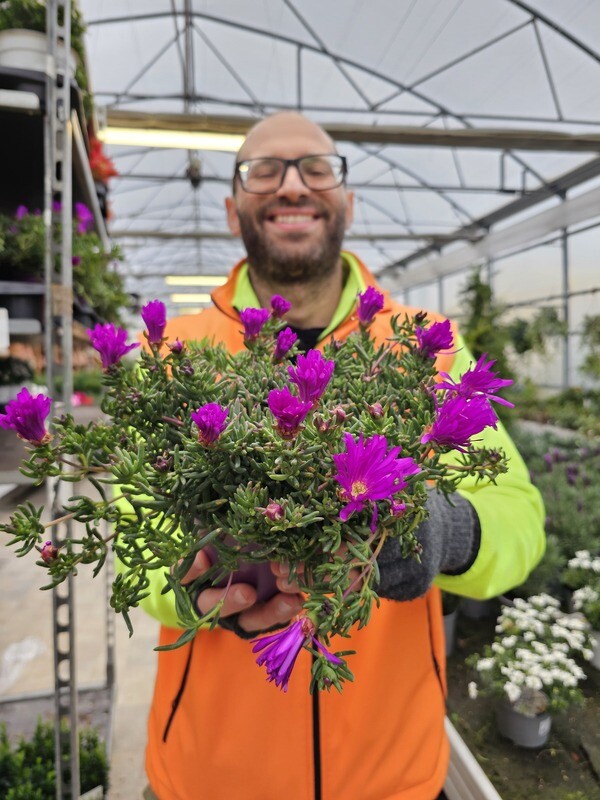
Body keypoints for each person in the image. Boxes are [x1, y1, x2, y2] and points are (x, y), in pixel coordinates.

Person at [137, 111, 546, 800]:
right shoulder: (175, 352)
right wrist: (199, 586)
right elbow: (134, 545)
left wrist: (448, 531)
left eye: (316, 168)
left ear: (348, 201)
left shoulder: (427, 346)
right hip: (211, 777)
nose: (291, 185)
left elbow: (522, 521)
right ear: (233, 202)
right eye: (263, 170)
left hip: (393, 776)